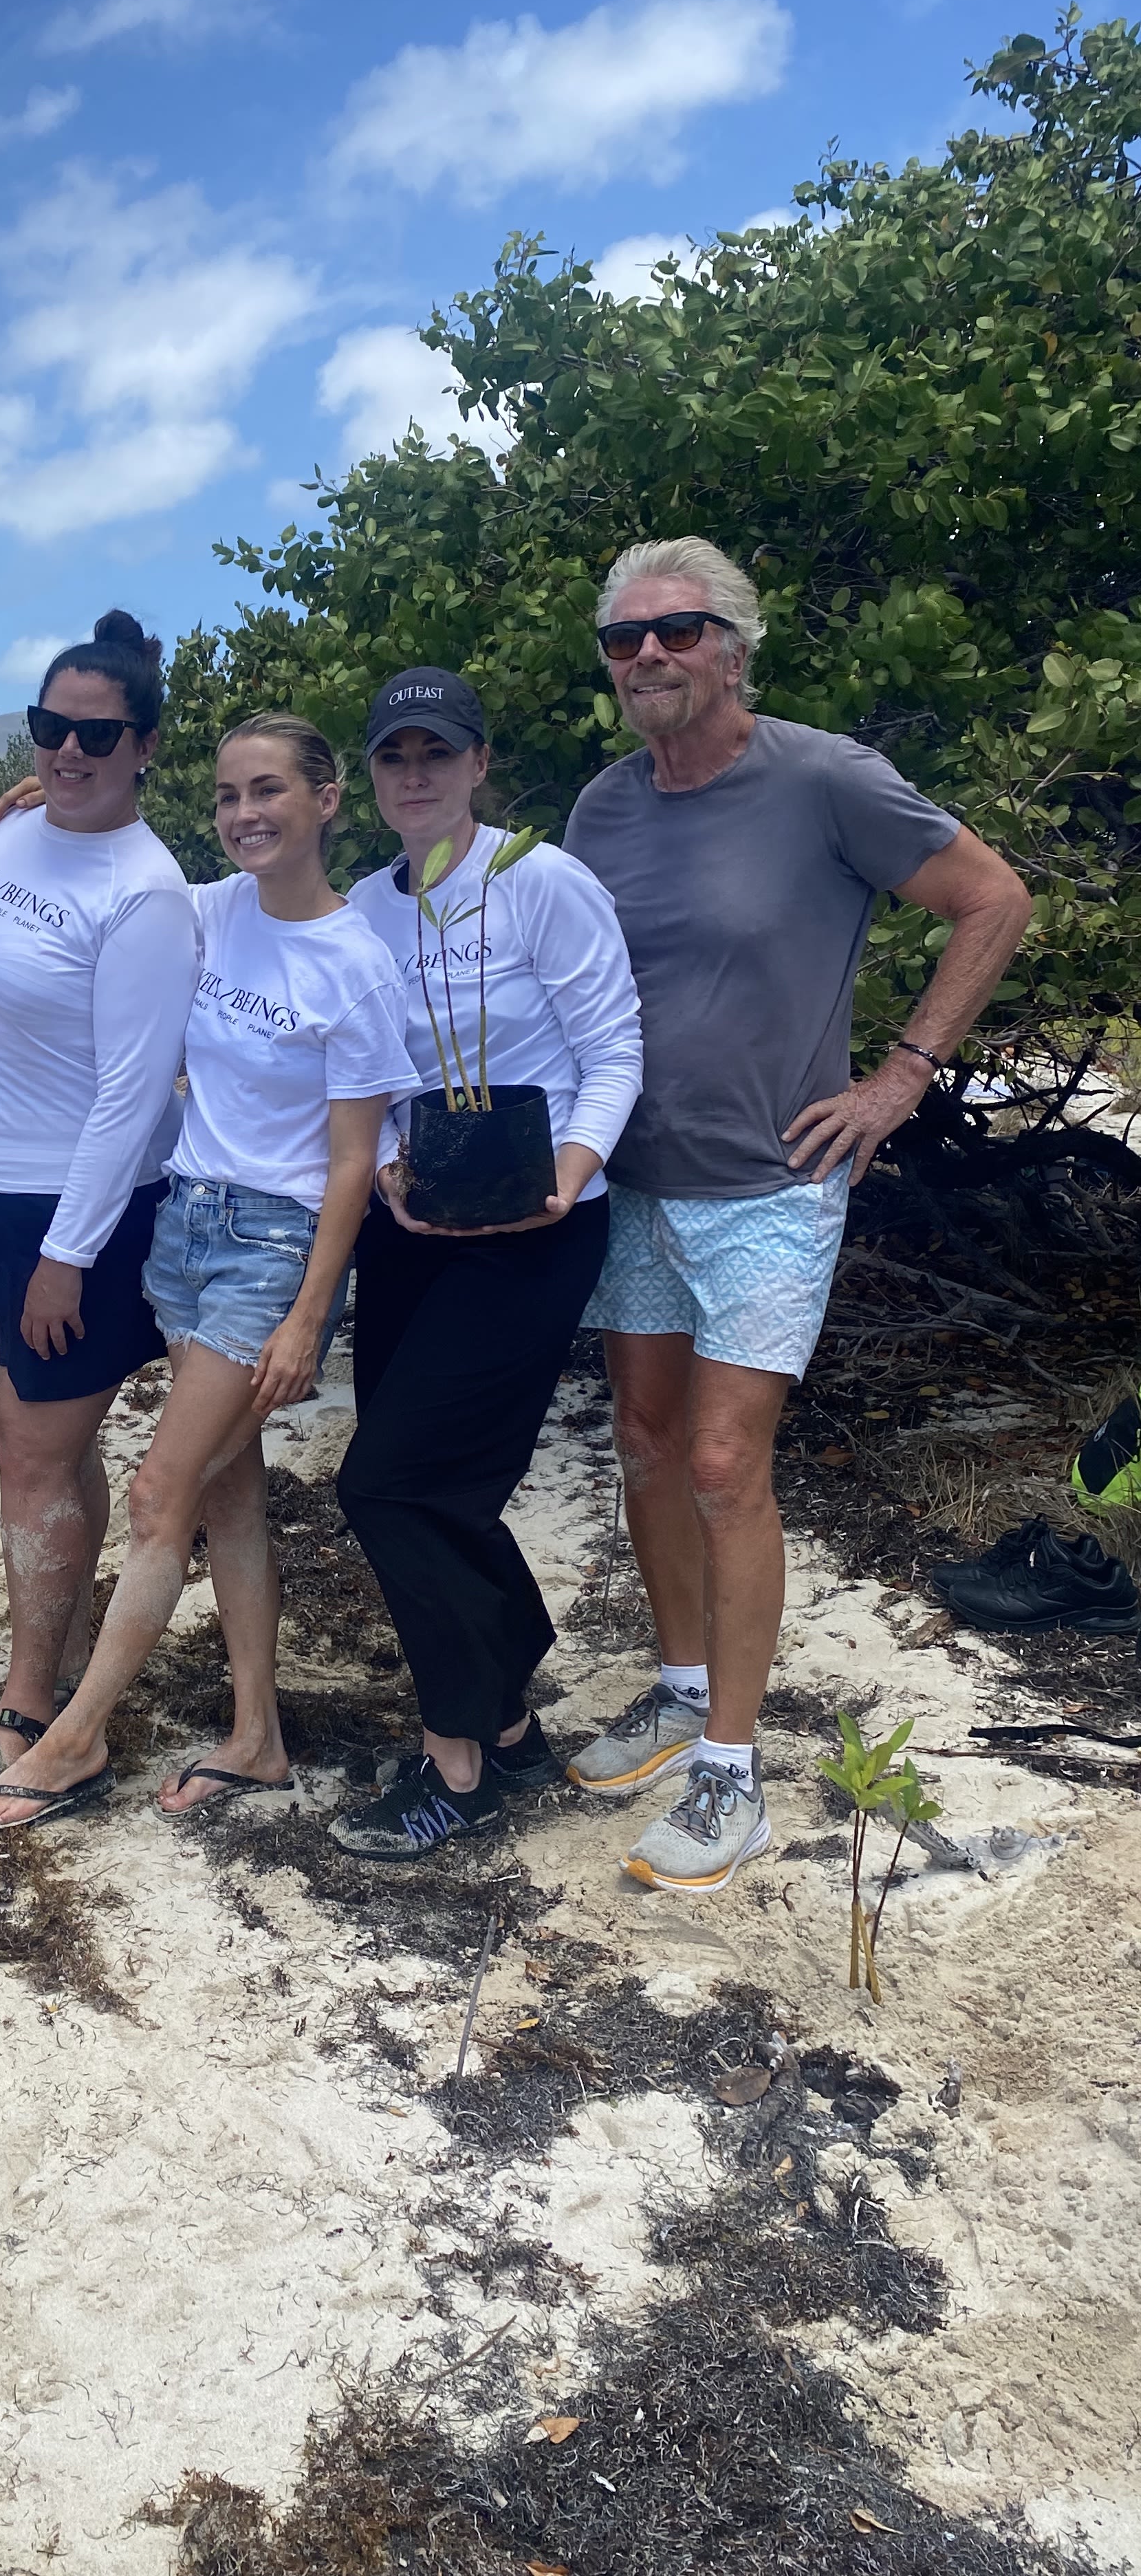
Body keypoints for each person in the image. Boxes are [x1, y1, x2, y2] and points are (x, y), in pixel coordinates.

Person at [563, 536, 1032, 1891]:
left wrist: (904, 1075)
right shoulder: (603, 809)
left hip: (771, 1188)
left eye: (679, 630)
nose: (650, 656)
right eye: (625, 639)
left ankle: (730, 1772)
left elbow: (992, 899)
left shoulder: (824, 777)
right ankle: (676, 1684)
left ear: (736, 645)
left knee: (721, 1465)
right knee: (645, 1446)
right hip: (636, 1183)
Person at [0, 716, 414, 1829]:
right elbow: (114, 883)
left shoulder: (355, 963)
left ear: (326, 801)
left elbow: (356, 1161)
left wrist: (312, 1313)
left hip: (273, 1246)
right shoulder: (210, 908)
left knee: (161, 1492)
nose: (246, 814)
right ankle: (255, 1734)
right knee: (226, 1492)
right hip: (187, 1224)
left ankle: (74, 1739)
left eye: (269, 792)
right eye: (226, 797)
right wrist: (34, 818)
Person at [323, 671, 644, 1859]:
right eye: (394, 755)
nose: (415, 774)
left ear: (478, 763)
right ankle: (507, 1719)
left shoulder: (544, 884)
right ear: (370, 775)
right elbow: (370, 1063)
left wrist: (569, 1171)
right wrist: (396, 1159)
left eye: (436, 753)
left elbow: (613, 1045)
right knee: (436, 1488)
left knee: (388, 1484)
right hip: (411, 1229)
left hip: (536, 1228)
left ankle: (456, 1764)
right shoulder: (364, 902)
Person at [0, 611, 199, 1815]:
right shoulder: (18, 833)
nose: (69, 750)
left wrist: (67, 1255)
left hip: (67, 1212)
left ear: (143, 747)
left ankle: (34, 1707)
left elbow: (136, 1095)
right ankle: (60, 1658)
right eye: (50, 727)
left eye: (98, 734)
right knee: (48, 1445)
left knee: (29, 1463)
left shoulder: (147, 893)